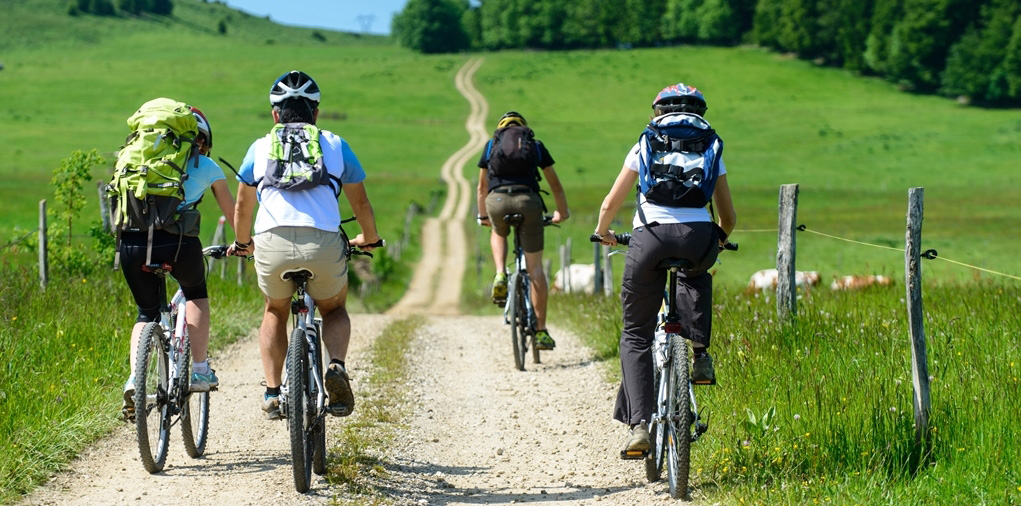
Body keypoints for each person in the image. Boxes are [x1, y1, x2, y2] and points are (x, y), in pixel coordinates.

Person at [227, 70, 382, 420]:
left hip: (271, 240)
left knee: (274, 310)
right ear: (316, 113)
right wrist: (369, 239)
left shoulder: (259, 146)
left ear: (275, 115)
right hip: (323, 241)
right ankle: (337, 367)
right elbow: (361, 205)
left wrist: (242, 243)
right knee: (333, 308)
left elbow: (241, 207)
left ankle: (271, 391)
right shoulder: (336, 144)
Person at [592, 83, 736, 454]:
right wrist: (716, 241)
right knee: (696, 272)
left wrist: (603, 232)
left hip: (649, 237)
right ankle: (700, 353)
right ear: (699, 112)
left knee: (636, 333)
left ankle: (639, 425)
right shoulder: (709, 146)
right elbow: (729, 217)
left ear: (658, 112)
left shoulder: (644, 142)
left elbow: (611, 202)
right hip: (698, 236)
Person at [121, 106, 237, 418]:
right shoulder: (207, 165)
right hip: (178, 245)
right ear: (204, 140)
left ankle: (135, 379)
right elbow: (234, 211)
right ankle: (199, 369)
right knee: (196, 291)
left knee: (146, 312)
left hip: (131, 244)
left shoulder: (136, 159)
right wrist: (243, 243)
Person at [476, 111, 569, 351]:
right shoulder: (535, 146)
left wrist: (484, 216)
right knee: (535, 268)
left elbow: (481, 187)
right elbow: (555, 185)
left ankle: (499, 274)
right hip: (528, 202)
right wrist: (562, 212)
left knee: (498, 231)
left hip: (496, 202)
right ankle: (540, 332)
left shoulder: (490, 146)